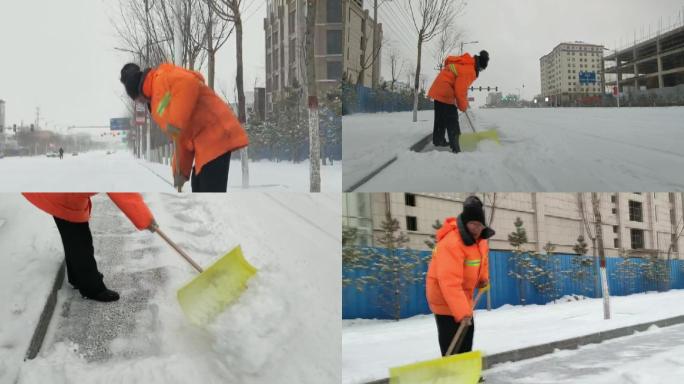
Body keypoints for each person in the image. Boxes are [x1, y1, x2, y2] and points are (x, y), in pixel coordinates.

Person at [119, 62, 249, 192]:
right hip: (205, 143)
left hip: (217, 134)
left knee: (209, 193)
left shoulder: (161, 78)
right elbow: (180, 135)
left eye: (136, 99)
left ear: (138, 93)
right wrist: (180, 172)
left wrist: (175, 124)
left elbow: (189, 82)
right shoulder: (156, 103)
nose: (138, 102)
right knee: (197, 186)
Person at [22, 193, 157, 302]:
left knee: (73, 238)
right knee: (80, 241)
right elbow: (125, 194)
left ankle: (78, 279)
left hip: (66, 194)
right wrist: (146, 220)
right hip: (63, 196)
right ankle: (92, 289)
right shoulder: (111, 166)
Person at [426, 196, 494, 357]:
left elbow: (481, 262)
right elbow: (449, 282)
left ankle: (466, 376)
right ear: (464, 222)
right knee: (452, 343)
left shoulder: (480, 241)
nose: (477, 228)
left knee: (466, 338)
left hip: (463, 298)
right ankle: (452, 377)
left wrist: (483, 279)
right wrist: (463, 313)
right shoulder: (452, 243)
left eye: (480, 225)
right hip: (444, 299)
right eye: (473, 224)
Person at [427, 50, 489, 153]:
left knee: (440, 118)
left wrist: (462, 102)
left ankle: (439, 140)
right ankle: (457, 146)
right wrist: (463, 106)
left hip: (438, 88)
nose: (480, 72)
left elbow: (459, 87)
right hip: (446, 90)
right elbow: (460, 90)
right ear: (480, 67)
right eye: (482, 70)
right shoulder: (470, 70)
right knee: (452, 119)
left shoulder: (466, 62)